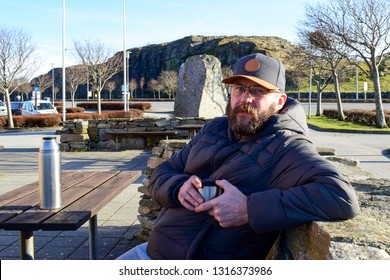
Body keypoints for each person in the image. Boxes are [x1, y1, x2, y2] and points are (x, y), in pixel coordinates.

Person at [117, 53, 359, 260]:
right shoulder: (213, 129)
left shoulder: (288, 146)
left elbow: (341, 197)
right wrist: (178, 187)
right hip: (148, 252)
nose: (245, 99)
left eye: (258, 91)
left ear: (280, 100)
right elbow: (162, 173)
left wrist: (248, 208)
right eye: (239, 89)